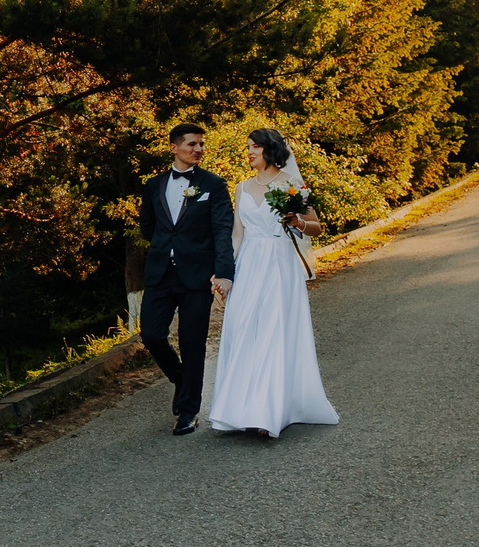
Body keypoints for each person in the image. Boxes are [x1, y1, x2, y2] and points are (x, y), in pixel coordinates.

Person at [207, 126, 339, 438]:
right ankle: (236, 410)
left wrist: (299, 222)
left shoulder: (292, 184)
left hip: (280, 266)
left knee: (271, 332)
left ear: (270, 150)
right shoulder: (241, 187)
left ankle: (268, 412)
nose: (249, 152)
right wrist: (225, 272)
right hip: (250, 264)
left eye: (255, 147)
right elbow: (237, 235)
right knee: (242, 330)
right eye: (248, 147)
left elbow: (316, 226)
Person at [139, 123, 234, 436]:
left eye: (201, 144)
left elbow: (222, 230)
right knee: (151, 334)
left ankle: (188, 411)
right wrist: (165, 250)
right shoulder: (154, 185)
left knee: (192, 343)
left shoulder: (214, 185)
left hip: (197, 277)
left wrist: (222, 271)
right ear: (174, 147)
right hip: (160, 275)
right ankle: (182, 378)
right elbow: (148, 227)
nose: (198, 149)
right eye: (192, 144)